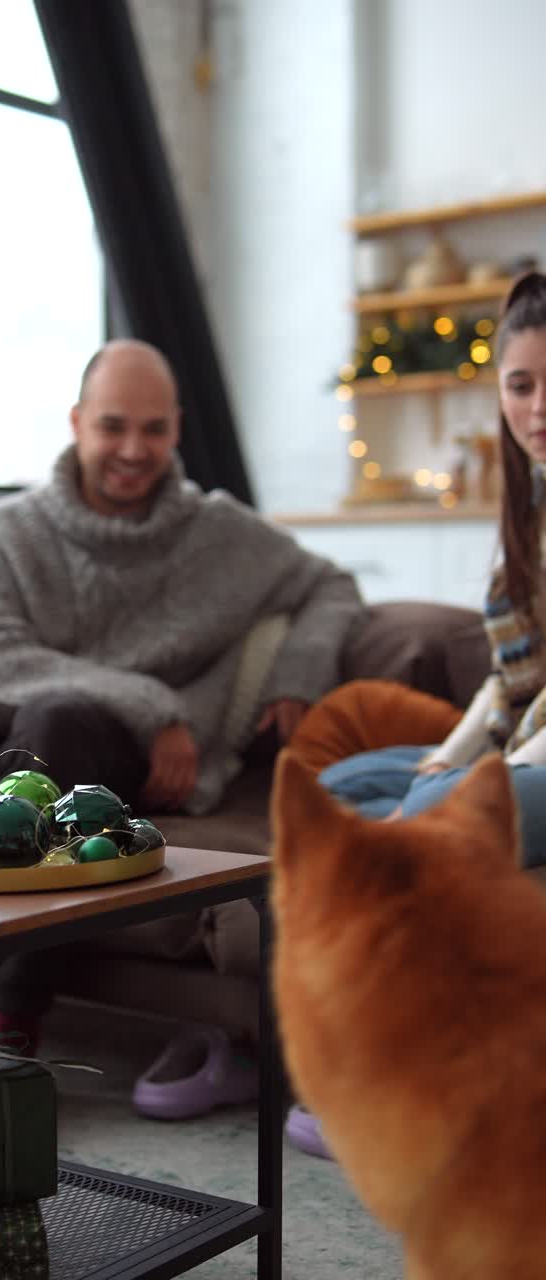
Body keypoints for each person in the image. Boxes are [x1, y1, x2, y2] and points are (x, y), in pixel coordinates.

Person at [0, 339, 364, 1092]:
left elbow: (331, 583)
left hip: (103, 758)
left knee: (57, 724)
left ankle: (4, 1009)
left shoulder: (222, 535)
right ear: (78, 422)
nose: (133, 450)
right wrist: (151, 703)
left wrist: (301, 671)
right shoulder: (6, 531)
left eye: (154, 429)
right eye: (114, 426)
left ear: (177, 429)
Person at [285, 269, 546, 1161]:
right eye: (521, 384)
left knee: (427, 824)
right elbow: (509, 677)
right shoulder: (529, 506)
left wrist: (486, 778)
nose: (538, 406)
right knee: (336, 792)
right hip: (524, 741)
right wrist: (451, 752)